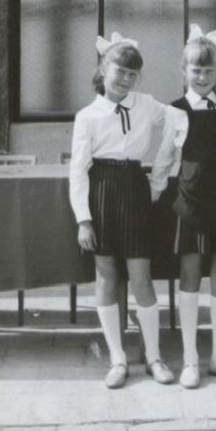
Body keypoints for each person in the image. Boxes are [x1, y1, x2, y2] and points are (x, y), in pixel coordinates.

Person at [69, 31, 175, 389]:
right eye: (120, 70)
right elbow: (78, 170)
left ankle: (154, 357)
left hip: (134, 188)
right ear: (104, 68)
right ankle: (117, 358)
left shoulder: (146, 104)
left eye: (133, 73)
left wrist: (161, 173)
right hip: (101, 190)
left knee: (141, 276)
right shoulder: (87, 116)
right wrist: (84, 219)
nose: (126, 78)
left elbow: (179, 121)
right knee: (106, 276)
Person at [150, 24, 216, 389]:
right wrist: (156, 192)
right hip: (190, 202)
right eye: (196, 70)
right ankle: (191, 360)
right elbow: (165, 157)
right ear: (184, 71)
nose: (203, 77)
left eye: (209, 70)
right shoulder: (175, 110)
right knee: (190, 275)